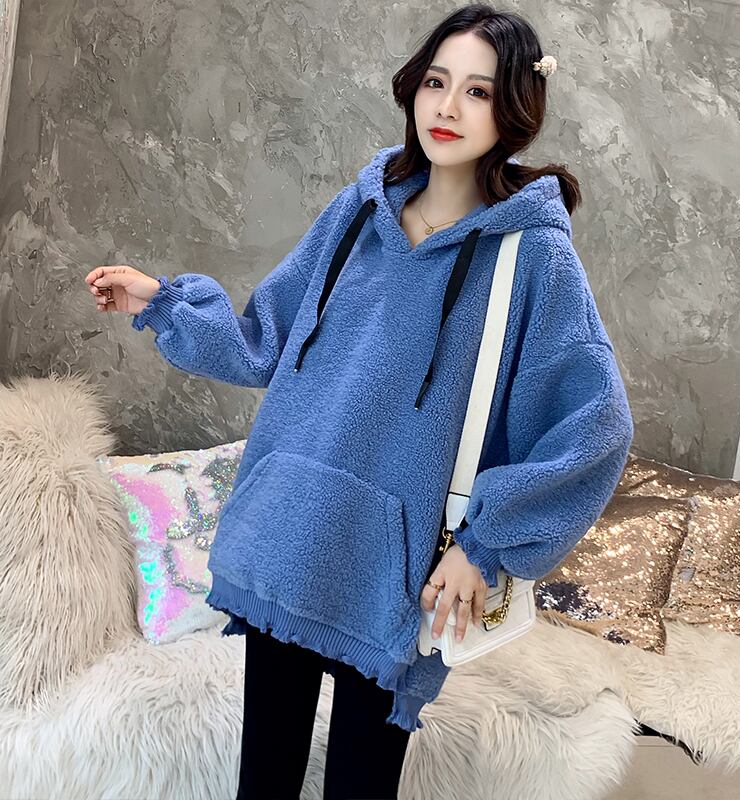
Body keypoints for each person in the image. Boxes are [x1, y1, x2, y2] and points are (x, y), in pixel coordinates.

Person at [83, 4, 635, 798]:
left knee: (360, 787)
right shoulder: (359, 212)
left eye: (478, 91)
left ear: (514, 109)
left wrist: (482, 546)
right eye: (437, 82)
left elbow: (594, 426)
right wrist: (163, 304)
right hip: (291, 535)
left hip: (393, 577)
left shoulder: (531, 258)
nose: (449, 107)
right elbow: (266, 340)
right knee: (262, 781)